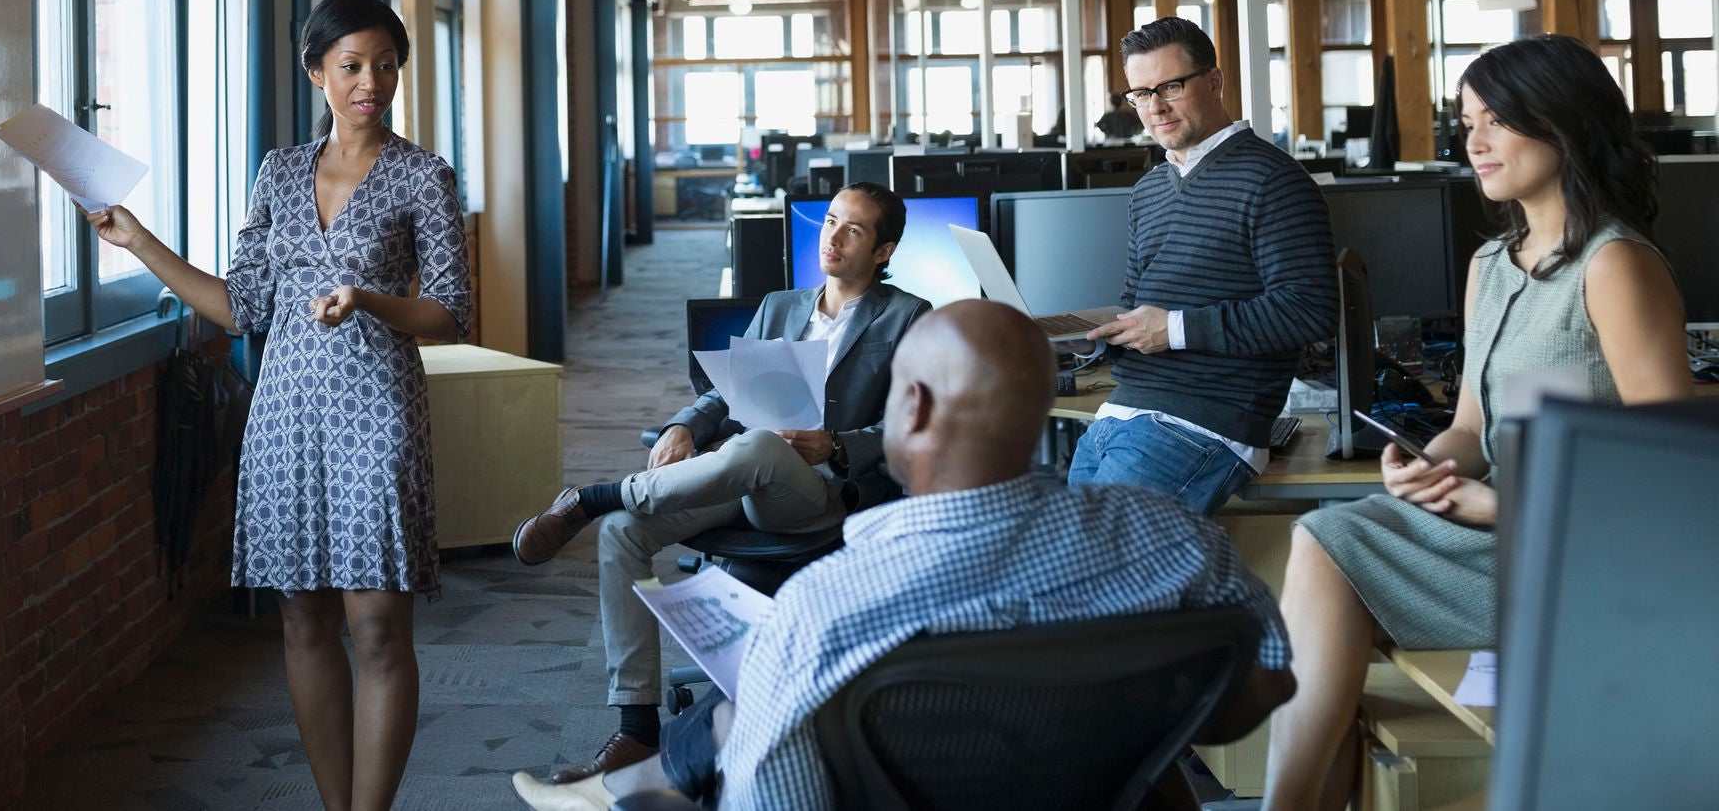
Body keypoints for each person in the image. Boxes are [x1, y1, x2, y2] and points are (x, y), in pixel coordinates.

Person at [509, 301, 1296, 811]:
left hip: (813, 533)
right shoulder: (1178, 543)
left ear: (910, 405)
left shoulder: (823, 609)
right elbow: (1260, 686)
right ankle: (629, 785)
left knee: (754, 708)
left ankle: (625, 792)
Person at [1262, 35, 1693, 811]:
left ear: (1562, 123)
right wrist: (1428, 463)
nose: (1476, 141)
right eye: (1468, 120)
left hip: (1583, 559)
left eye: (1498, 119)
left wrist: (1493, 505)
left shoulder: (1615, 265)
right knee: (1328, 533)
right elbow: (1469, 422)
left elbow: (1666, 488)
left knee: (1330, 543)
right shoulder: (1493, 262)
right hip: (1499, 529)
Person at [86, 0, 471, 811]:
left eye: (386, 65)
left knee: (376, 625)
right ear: (317, 73)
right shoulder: (279, 171)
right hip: (286, 415)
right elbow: (240, 307)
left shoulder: (423, 176)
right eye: (353, 65)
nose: (372, 81)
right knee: (301, 618)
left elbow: (448, 309)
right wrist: (139, 238)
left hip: (377, 411)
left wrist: (365, 297)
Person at [508, 183, 930, 783]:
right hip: (743, 477)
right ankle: (635, 729)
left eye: (853, 230)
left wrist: (836, 444)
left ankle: (593, 496)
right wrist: (684, 423)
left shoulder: (909, 317)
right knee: (624, 534)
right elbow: (725, 393)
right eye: (829, 221)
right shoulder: (781, 306)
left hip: (821, 496)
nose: (832, 238)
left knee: (754, 444)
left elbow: (911, 424)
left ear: (883, 250)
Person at [1075, 16, 1338, 512]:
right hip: (1121, 413)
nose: (1155, 107)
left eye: (1170, 86)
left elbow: (1310, 311)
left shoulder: (1273, 180)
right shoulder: (1148, 190)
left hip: (1205, 421)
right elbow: (1138, 306)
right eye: (1140, 93)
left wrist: (1173, 330)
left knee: (1087, 576)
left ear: (1214, 82)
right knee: (1069, 570)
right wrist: (1092, 339)